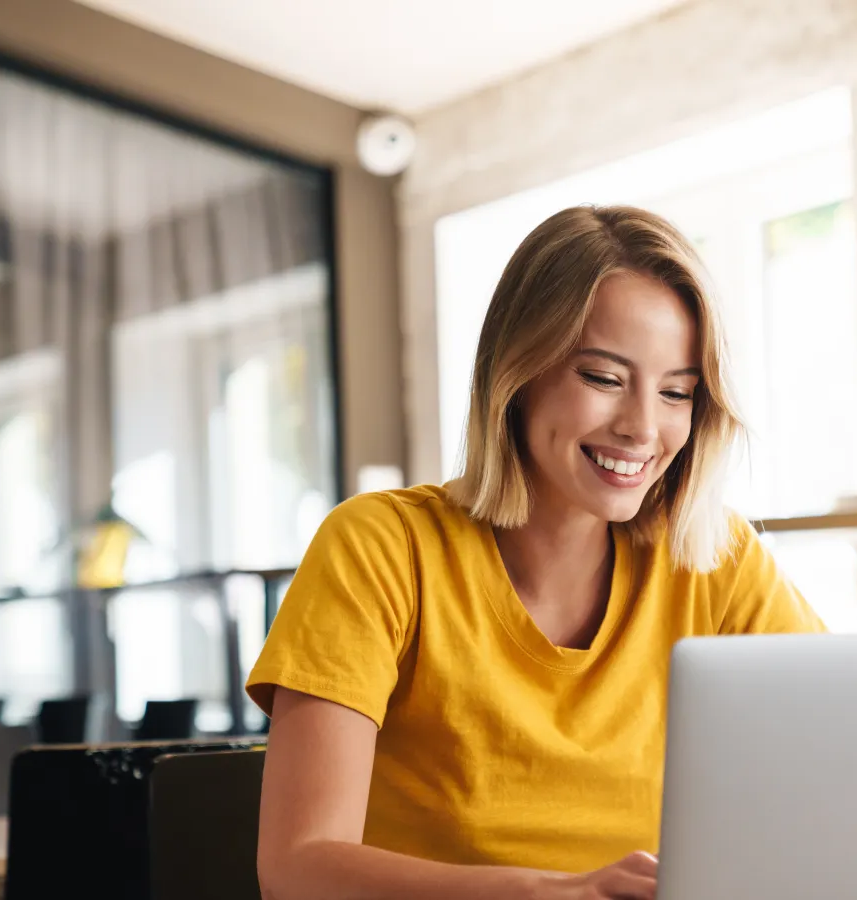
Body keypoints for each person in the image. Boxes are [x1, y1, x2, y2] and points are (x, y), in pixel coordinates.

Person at [247, 205, 826, 900]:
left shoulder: (716, 562)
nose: (644, 427)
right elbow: (297, 864)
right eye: (604, 379)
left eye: (677, 392)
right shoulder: (381, 547)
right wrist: (550, 894)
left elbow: (849, 757)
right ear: (517, 374)